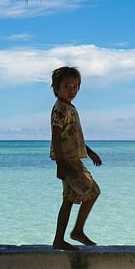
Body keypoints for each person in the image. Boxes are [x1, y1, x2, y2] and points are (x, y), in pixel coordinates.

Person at [49, 66, 101, 251]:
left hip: (73, 160)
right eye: (66, 86)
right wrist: (60, 164)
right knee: (93, 192)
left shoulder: (70, 108)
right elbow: (55, 136)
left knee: (69, 200)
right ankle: (77, 231)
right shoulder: (60, 110)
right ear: (56, 88)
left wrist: (90, 152)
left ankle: (59, 240)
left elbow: (73, 136)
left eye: (75, 86)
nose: (71, 90)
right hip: (68, 162)